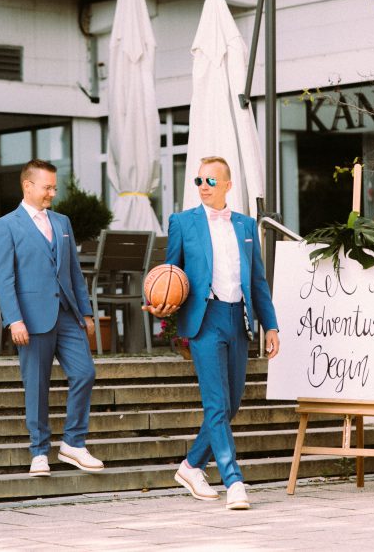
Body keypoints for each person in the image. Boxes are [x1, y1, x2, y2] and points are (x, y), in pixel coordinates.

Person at [145, 155, 280, 510]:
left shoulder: (247, 226)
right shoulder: (182, 222)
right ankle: (234, 480)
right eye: (199, 181)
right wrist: (160, 306)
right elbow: (170, 272)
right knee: (216, 403)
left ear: (228, 185)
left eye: (211, 182)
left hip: (239, 320)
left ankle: (191, 466)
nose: (203, 187)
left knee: (231, 404)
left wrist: (271, 325)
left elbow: (258, 281)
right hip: (204, 320)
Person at [0, 159, 104, 477]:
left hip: (67, 315)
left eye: (55, 187)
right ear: (28, 186)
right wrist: (14, 319)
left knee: (85, 373)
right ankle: (39, 452)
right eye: (47, 187)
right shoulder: (6, 225)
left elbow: (73, 271)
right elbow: (3, 278)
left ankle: (73, 444)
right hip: (29, 319)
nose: (53, 192)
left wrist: (86, 311)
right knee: (36, 386)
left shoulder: (62, 222)